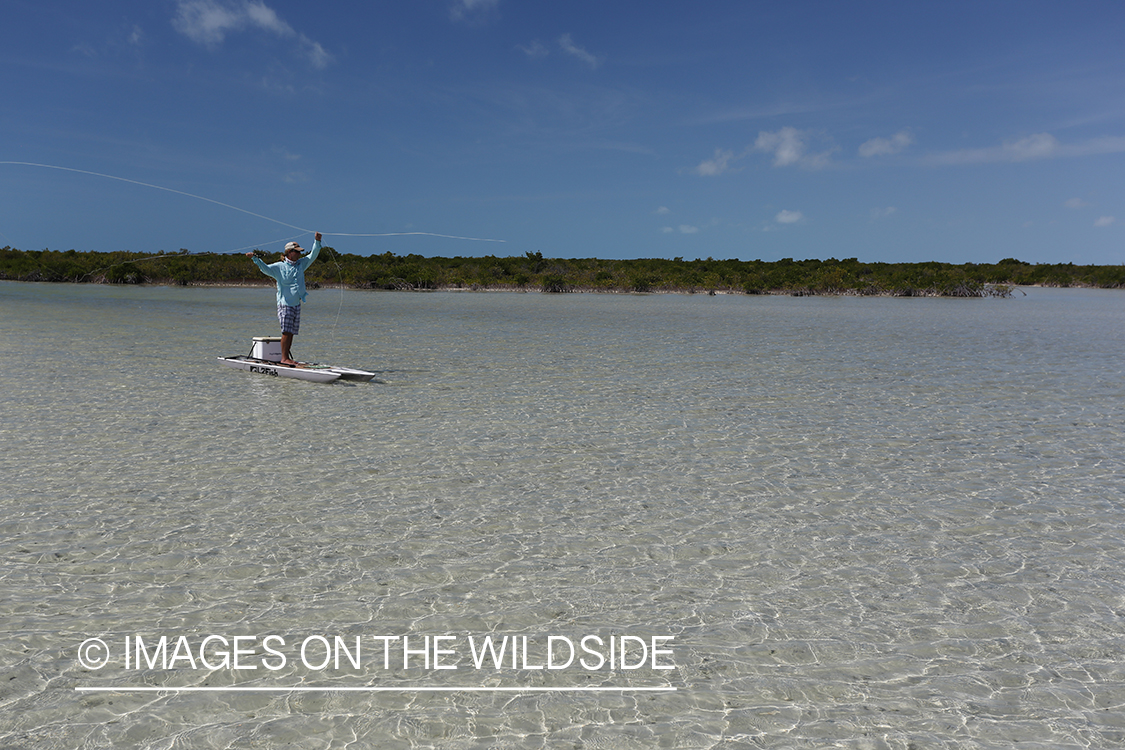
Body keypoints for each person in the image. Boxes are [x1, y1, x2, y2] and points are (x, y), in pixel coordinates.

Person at [247, 232, 322, 365]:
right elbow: (265, 269)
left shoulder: (301, 264)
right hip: (284, 304)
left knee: (291, 332)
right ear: (289, 252)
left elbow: (313, 255)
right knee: (286, 332)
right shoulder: (279, 266)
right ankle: (284, 358)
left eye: (299, 252)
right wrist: (255, 258)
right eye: (296, 252)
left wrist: (317, 241)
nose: (299, 254)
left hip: (296, 303)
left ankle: (286, 357)